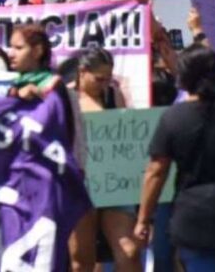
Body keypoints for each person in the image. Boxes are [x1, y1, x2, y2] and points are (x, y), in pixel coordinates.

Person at [136, 46, 215, 270]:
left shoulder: (173, 118)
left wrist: (143, 219)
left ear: (182, 79)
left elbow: (156, 172)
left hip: (195, 222)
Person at [69, 47, 141, 271]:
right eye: (99, 79)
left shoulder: (113, 95)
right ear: (82, 72)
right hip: (81, 187)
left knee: (128, 251)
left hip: (114, 186)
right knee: (82, 259)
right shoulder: (67, 97)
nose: (104, 84)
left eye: (108, 78)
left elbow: (124, 136)